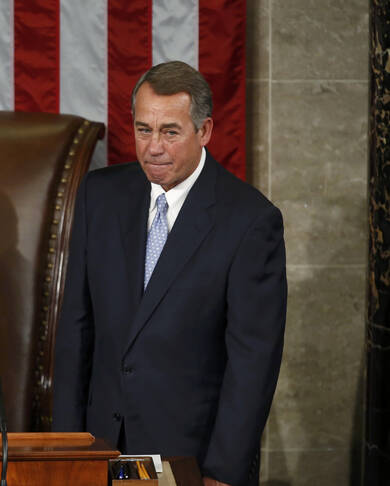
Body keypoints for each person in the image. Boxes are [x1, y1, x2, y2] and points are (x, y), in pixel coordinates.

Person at [52, 61, 287, 486]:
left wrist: (222, 473)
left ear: (205, 131)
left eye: (170, 132)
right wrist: (67, 449)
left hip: (189, 460)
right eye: (144, 130)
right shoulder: (99, 196)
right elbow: (75, 330)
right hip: (99, 449)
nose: (153, 147)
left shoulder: (250, 221)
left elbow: (252, 365)